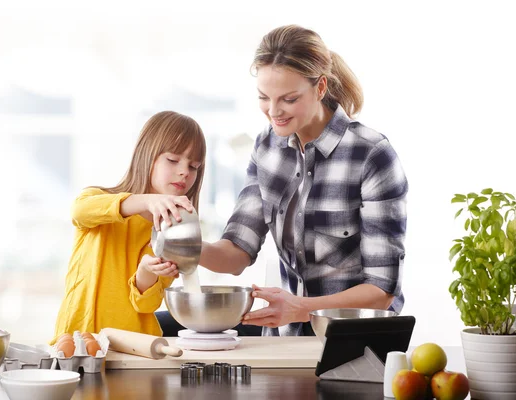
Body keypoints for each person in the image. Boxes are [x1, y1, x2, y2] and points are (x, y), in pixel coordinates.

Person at [199, 25, 408, 336]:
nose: (273, 111)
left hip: (354, 346)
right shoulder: (267, 148)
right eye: (263, 97)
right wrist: (187, 248)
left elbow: (382, 291)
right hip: (286, 344)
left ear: (320, 87)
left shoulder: (371, 155)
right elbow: (237, 253)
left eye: (289, 99)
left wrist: (301, 308)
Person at [52, 111, 206, 342]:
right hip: (77, 338)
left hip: (133, 346)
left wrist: (146, 272)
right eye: (173, 160)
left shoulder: (173, 234)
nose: (184, 171)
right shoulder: (99, 199)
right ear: (147, 155)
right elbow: (79, 212)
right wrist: (145, 200)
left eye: (194, 166)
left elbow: (146, 304)